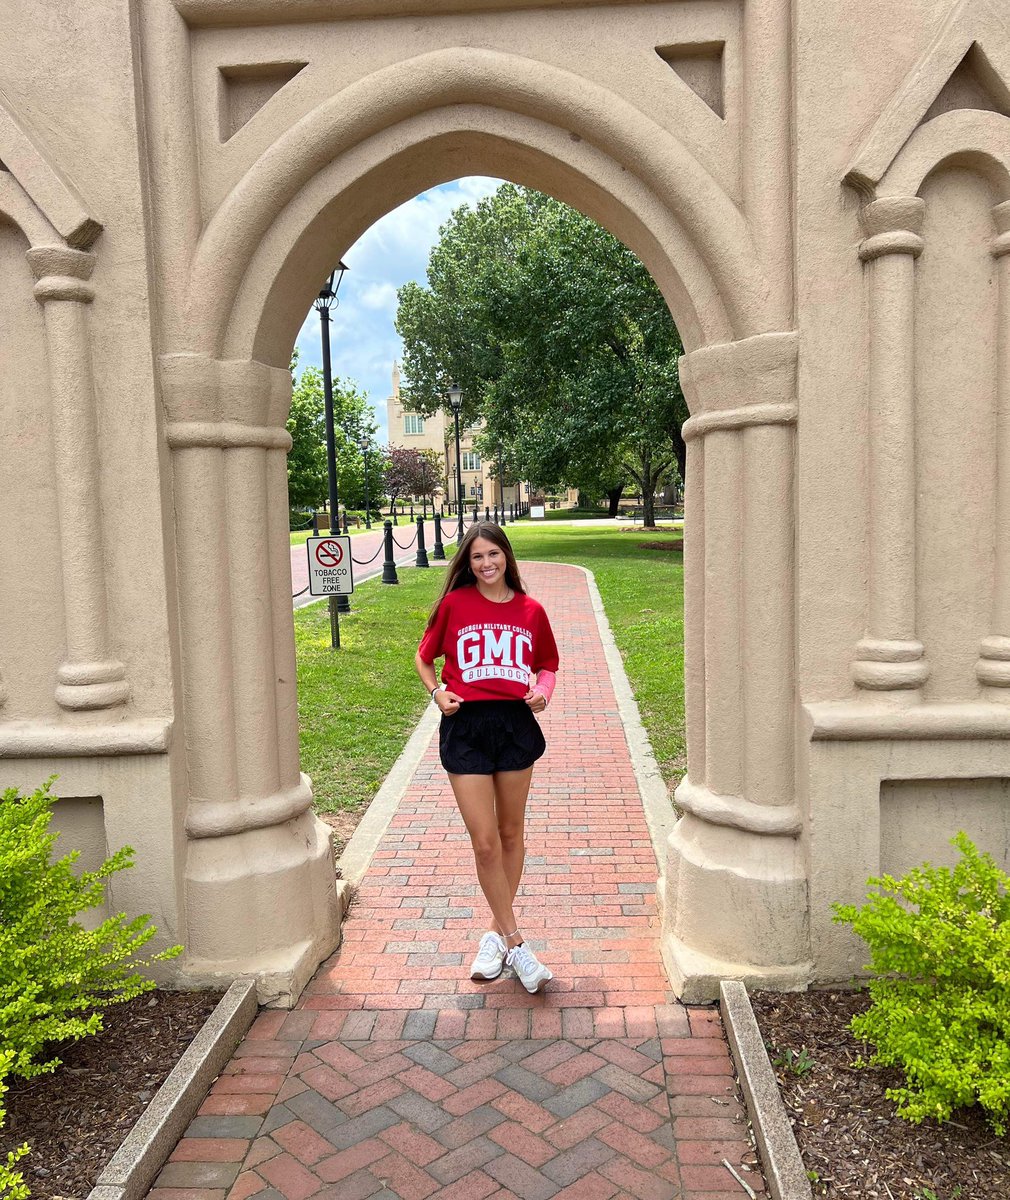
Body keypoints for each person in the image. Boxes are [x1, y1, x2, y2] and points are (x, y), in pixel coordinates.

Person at [415, 522, 559, 993]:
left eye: (493, 554)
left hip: (514, 724)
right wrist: (437, 691)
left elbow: (547, 664)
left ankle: (495, 937)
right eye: (477, 557)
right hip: (466, 726)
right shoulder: (453, 605)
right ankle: (516, 941)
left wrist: (542, 691)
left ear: (506, 556)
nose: (486, 564)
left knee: (511, 832)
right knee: (484, 842)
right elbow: (423, 657)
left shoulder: (530, 609)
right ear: (468, 563)